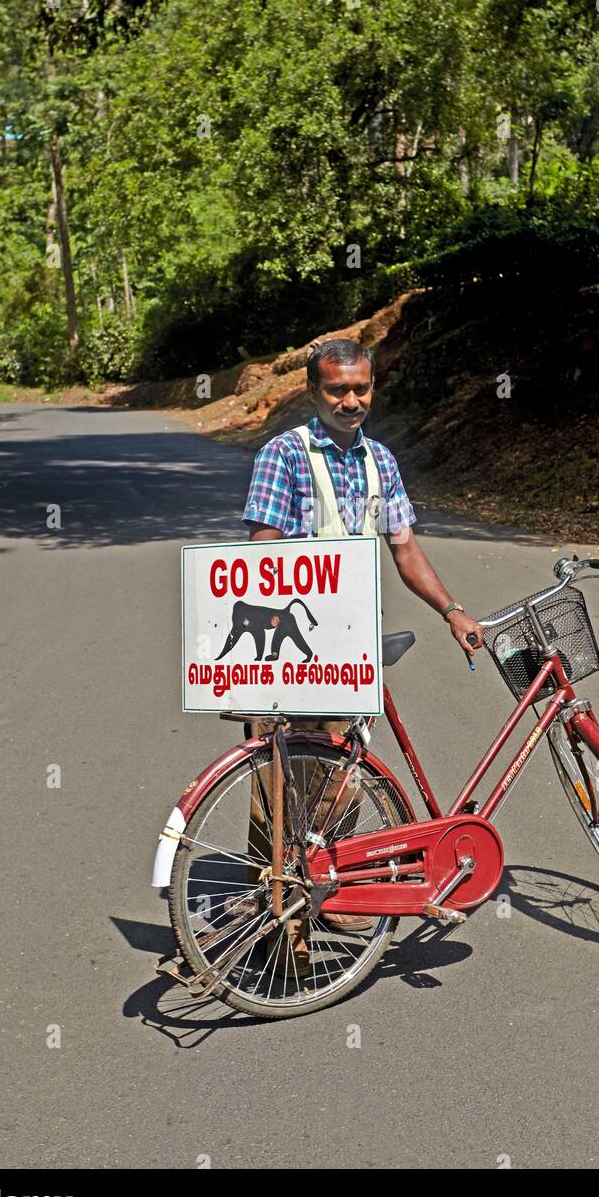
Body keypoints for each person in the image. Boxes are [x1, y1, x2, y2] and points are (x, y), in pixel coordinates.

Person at [241, 337, 484, 971]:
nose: (351, 401)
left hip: (349, 647)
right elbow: (260, 552)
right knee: (280, 781)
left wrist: (451, 609)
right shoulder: (284, 455)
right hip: (287, 649)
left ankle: (330, 888)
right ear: (312, 392)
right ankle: (275, 912)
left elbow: (403, 548)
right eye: (336, 390)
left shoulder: (380, 461)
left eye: (361, 389)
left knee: (342, 773)